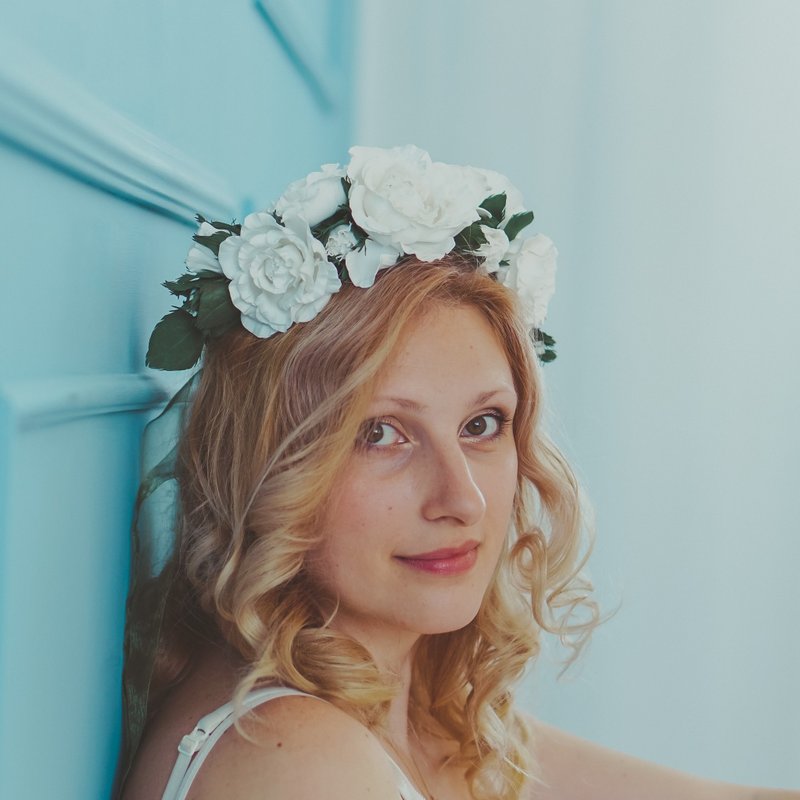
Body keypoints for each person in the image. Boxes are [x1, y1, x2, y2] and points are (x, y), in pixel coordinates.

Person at [117, 145, 799, 800]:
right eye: (380, 434)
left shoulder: (426, 719)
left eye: (482, 425)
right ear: (268, 462)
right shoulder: (298, 759)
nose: (462, 499)